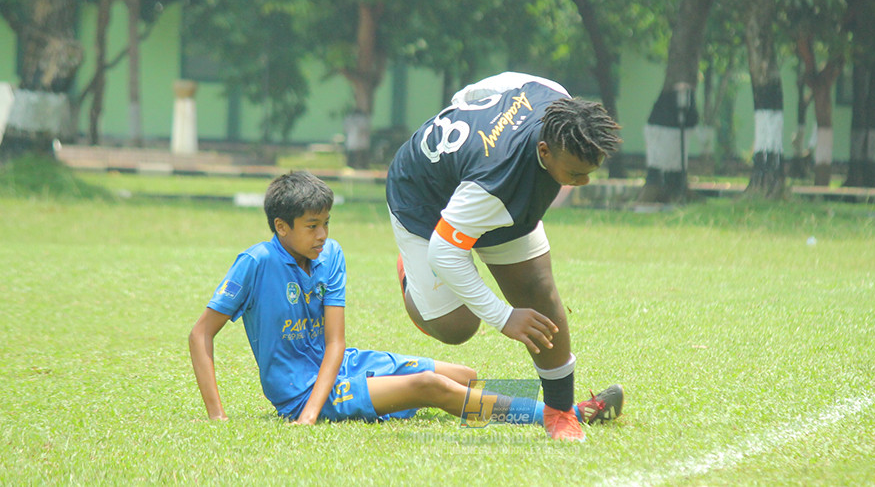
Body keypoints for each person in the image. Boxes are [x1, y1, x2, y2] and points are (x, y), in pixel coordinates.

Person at [188, 170, 616, 429]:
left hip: (342, 364)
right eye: (311, 226)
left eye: (327, 224)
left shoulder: (330, 255)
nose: (323, 235)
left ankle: (535, 405)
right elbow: (200, 335)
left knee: (463, 374)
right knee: (430, 387)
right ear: (281, 227)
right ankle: (565, 413)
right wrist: (226, 415)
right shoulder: (255, 263)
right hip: (300, 393)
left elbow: (336, 343)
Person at [385, 72, 625, 440]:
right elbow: (445, 251)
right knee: (457, 327)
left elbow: (500, 82)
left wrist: (465, 104)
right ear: (544, 151)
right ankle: (411, 279)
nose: (584, 182)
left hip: (484, 192)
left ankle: (561, 412)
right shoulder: (496, 180)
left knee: (538, 289)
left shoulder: (556, 99)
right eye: (576, 174)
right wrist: (504, 317)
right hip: (424, 200)